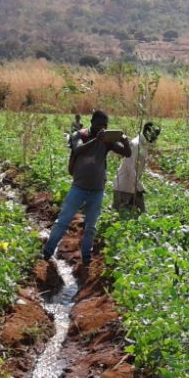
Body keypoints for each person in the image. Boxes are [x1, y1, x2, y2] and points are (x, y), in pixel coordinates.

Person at [43, 110, 131, 264]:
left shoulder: (107, 140)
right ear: (92, 122)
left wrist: (125, 141)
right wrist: (96, 140)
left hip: (97, 190)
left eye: (105, 125)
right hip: (78, 187)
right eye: (99, 124)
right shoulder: (80, 135)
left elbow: (127, 153)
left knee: (91, 226)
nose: (102, 128)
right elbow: (78, 149)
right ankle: (47, 252)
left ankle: (86, 258)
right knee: (63, 221)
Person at [113, 122, 161, 214]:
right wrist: (138, 186)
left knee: (142, 215)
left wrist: (153, 176)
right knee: (122, 216)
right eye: (155, 135)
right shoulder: (135, 144)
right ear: (148, 133)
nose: (155, 138)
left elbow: (139, 165)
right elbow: (129, 167)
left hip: (133, 186)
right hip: (124, 187)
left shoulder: (143, 145)